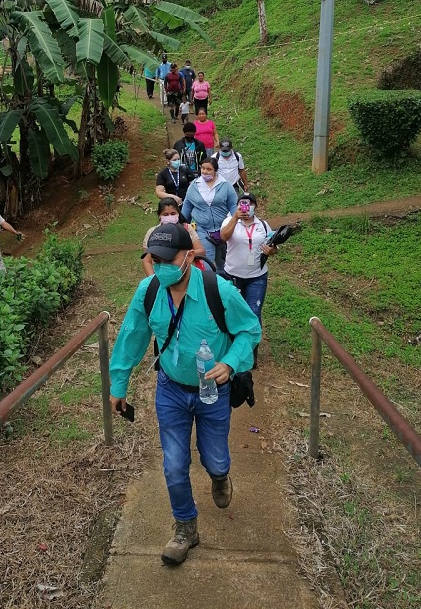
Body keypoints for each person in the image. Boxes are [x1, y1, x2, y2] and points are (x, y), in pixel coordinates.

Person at [109, 223, 261, 565]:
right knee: (174, 464)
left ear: (189, 257)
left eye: (168, 259)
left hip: (213, 392)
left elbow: (250, 330)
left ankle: (219, 476)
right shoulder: (148, 291)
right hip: (171, 391)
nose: (160, 266)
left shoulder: (218, 291)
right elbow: (131, 337)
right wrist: (118, 386)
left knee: (215, 459)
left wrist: (230, 363)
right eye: (155, 260)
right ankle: (185, 528)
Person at [220, 192, 277, 368]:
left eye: (250, 203)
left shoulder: (263, 225)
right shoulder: (229, 221)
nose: (246, 207)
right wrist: (235, 217)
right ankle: (233, 351)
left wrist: (271, 251)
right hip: (233, 275)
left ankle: (251, 355)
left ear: (255, 206)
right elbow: (223, 236)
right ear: (237, 205)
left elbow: (273, 246)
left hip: (257, 277)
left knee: (254, 314)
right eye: (242, 203)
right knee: (233, 312)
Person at [181, 157, 238, 273]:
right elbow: (187, 205)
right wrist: (180, 223)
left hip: (223, 229)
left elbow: (233, 205)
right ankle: (207, 282)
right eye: (203, 168)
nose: (205, 171)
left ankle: (224, 282)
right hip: (202, 229)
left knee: (224, 262)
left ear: (215, 171)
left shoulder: (225, 185)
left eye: (209, 169)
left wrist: (236, 222)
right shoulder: (194, 186)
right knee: (206, 264)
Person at [141, 198, 205, 276]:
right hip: (162, 275)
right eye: (165, 214)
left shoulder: (187, 229)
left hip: (188, 274)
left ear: (178, 213)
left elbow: (201, 252)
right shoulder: (153, 233)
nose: (170, 217)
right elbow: (147, 260)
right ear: (159, 215)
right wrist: (153, 280)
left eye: (173, 213)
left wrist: (184, 255)